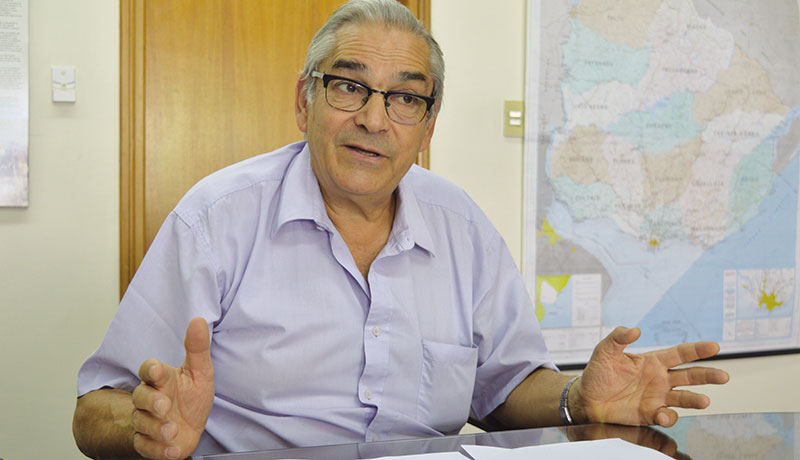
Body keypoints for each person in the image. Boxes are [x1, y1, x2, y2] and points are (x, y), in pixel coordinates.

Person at [72, 1, 730, 459]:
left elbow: (503, 389)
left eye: (406, 98)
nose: (374, 119)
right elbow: (93, 409)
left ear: (428, 126)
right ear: (304, 101)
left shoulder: (462, 227)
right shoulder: (216, 218)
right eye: (348, 87)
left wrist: (576, 398)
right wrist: (146, 426)